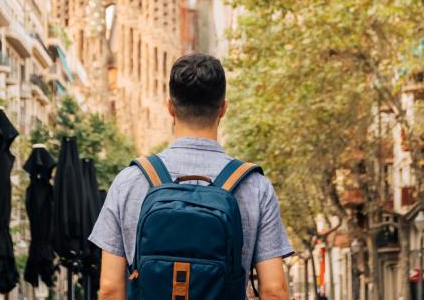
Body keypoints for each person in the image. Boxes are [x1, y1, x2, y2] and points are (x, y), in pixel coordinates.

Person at [90, 52, 294, 300]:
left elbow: (110, 289)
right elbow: (274, 290)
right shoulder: (255, 186)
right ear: (223, 109)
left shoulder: (129, 181)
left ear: (170, 107)